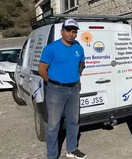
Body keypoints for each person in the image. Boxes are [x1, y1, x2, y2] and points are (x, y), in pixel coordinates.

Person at [38, 18, 86, 159]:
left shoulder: (78, 47)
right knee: (53, 124)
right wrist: (53, 83)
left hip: (74, 89)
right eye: (69, 31)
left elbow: (81, 64)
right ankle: (52, 155)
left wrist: (75, 77)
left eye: (74, 32)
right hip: (56, 90)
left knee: (73, 121)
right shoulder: (51, 48)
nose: (72, 34)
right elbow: (42, 70)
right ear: (62, 31)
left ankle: (72, 149)